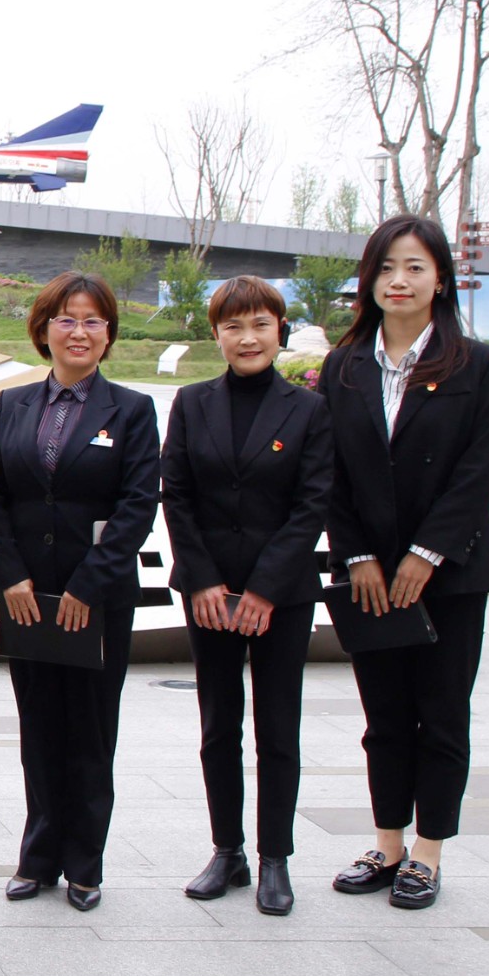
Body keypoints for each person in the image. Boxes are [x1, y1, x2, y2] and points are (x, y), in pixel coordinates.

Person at [319, 216, 489, 911]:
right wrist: (359, 555)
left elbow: (478, 471)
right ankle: (387, 844)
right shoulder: (344, 367)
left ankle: (428, 853)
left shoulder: (474, 365)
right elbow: (328, 471)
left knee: (442, 710)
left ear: (441, 280)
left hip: (450, 574)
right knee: (385, 716)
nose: (399, 281)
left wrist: (427, 554)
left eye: (415, 267)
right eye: (386, 268)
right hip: (369, 576)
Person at [0, 271, 161, 911]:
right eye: (65, 319)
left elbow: (138, 505)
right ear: (44, 330)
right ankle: (37, 858)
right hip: (27, 596)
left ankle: (85, 864)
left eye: (91, 320)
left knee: (90, 730)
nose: (78, 331)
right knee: (38, 729)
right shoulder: (11, 405)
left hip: (97, 600)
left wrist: (90, 582)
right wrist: (10, 575)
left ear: (108, 334)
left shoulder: (131, 411)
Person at [160, 274, 334, 917]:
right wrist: (203, 580)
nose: (248, 337)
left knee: (277, 728)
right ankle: (226, 851)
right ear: (217, 334)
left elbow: (312, 504)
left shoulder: (309, 409)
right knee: (218, 726)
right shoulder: (192, 403)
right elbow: (176, 494)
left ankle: (274, 858)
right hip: (208, 592)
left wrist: (264, 589)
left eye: (260, 324)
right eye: (233, 326)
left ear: (279, 330)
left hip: (280, 596)